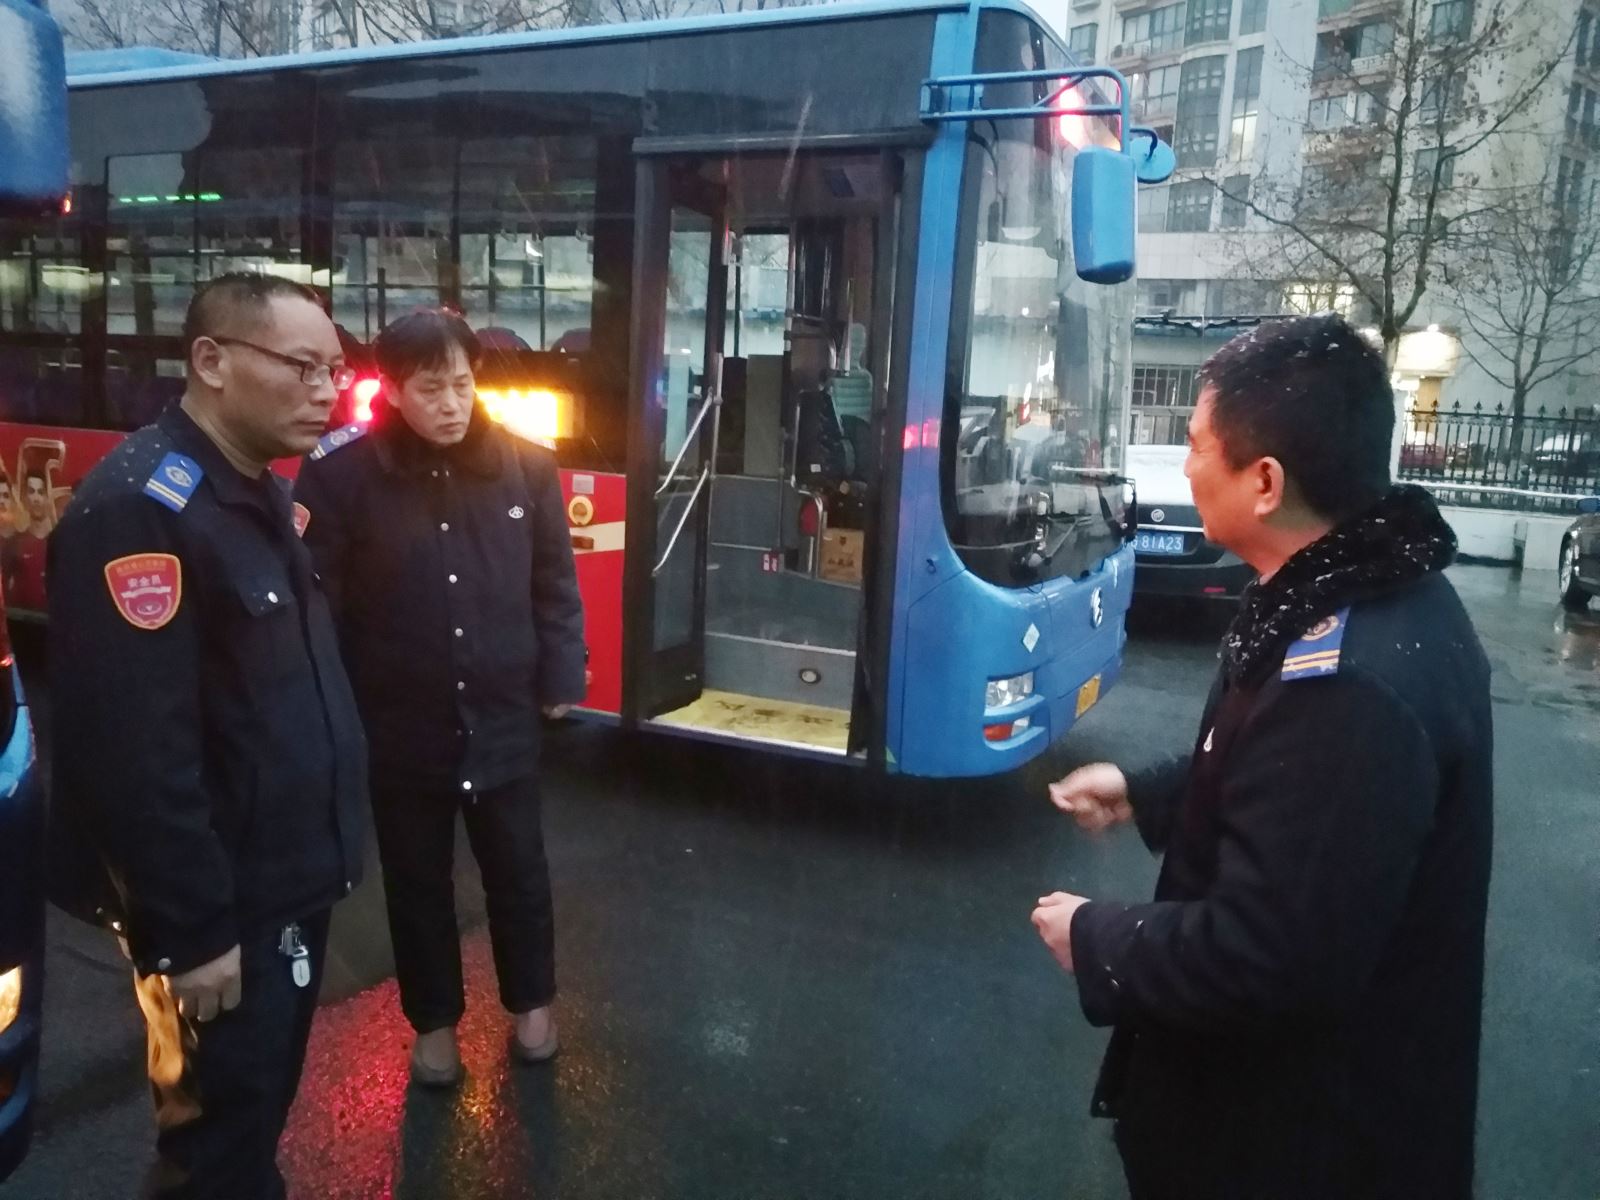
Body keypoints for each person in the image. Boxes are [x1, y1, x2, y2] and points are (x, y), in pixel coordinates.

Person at [1033, 313, 1493, 1200]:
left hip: (1295, 1151)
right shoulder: (1361, 598)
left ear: (1266, 482)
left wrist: (1096, 937)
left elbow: (1269, 956)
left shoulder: (1347, 681)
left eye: (1197, 443)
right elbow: (1294, 793)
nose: (1186, 464)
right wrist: (1146, 790)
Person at [47, 273, 368, 1199]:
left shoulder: (248, 488)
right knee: (214, 1151)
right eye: (302, 367)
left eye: (336, 370)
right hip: (223, 913)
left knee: (249, 1129)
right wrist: (190, 932)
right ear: (212, 361)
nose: (327, 391)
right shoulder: (142, 509)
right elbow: (134, 751)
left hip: (279, 886)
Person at [294, 309, 585, 1087]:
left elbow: (554, 582)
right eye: (431, 389)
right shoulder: (340, 475)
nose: (452, 403)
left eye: (461, 384)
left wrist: (561, 674)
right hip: (399, 722)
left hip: (503, 715)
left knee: (519, 872)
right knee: (417, 883)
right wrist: (331, 710)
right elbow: (320, 605)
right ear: (391, 389)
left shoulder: (525, 465)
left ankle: (533, 1008)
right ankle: (434, 1026)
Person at [3, 467, 54, 610]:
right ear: (25, 498)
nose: (36, 499)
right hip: (21, 621)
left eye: (41, 492)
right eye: (31, 491)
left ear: (47, 497)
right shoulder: (14, 544)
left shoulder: (58, 545)